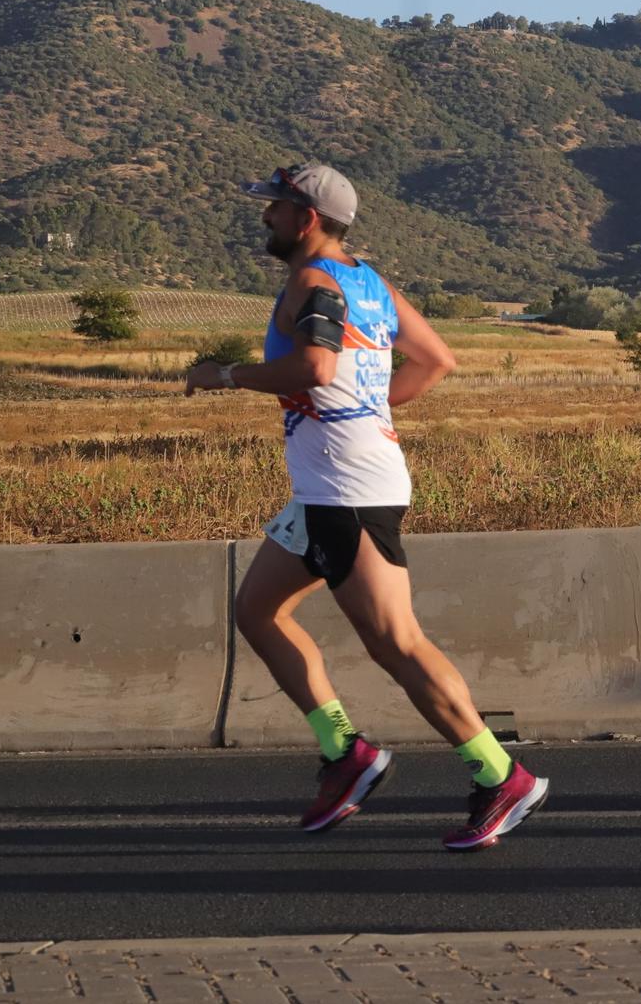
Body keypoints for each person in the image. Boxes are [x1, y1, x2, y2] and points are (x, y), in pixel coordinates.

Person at [185, 161, 548, 851]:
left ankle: (502, 774)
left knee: (397, 643)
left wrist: (224, 375)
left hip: (348, 492)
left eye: (275, 208)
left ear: (307, 218)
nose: (264, 217)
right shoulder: (370, 282)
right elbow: (435, 358)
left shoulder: (314, 283)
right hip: (327, 488)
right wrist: (370, 410)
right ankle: (345, 753)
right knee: (257, 610)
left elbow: (315, 369)